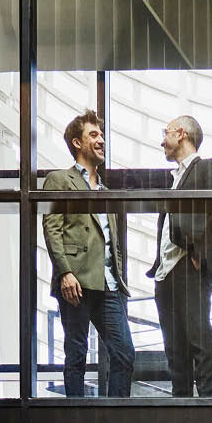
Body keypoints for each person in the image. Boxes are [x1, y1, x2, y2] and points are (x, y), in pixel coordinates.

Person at [42, 110, 134, 397]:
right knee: (76, 355)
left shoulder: (107, 191)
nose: (101, 140)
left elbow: (115, 244)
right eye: (94, 135)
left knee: (124, 354)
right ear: (76, 143)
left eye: (102, 135)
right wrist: (64, 273)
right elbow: (52, 228)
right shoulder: (60, 179)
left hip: (108, 285)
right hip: (76, 283)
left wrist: (119, 282)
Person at [147, 115, 212, 396]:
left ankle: (209, 405)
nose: (162, 140)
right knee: (174, 347)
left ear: (180, 133)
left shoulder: (207, 167)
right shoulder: (174, 178)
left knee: (198, 337)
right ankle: (180, 406)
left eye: (166, 133)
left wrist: (200, 252)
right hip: (166, 272)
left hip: (188, 264)